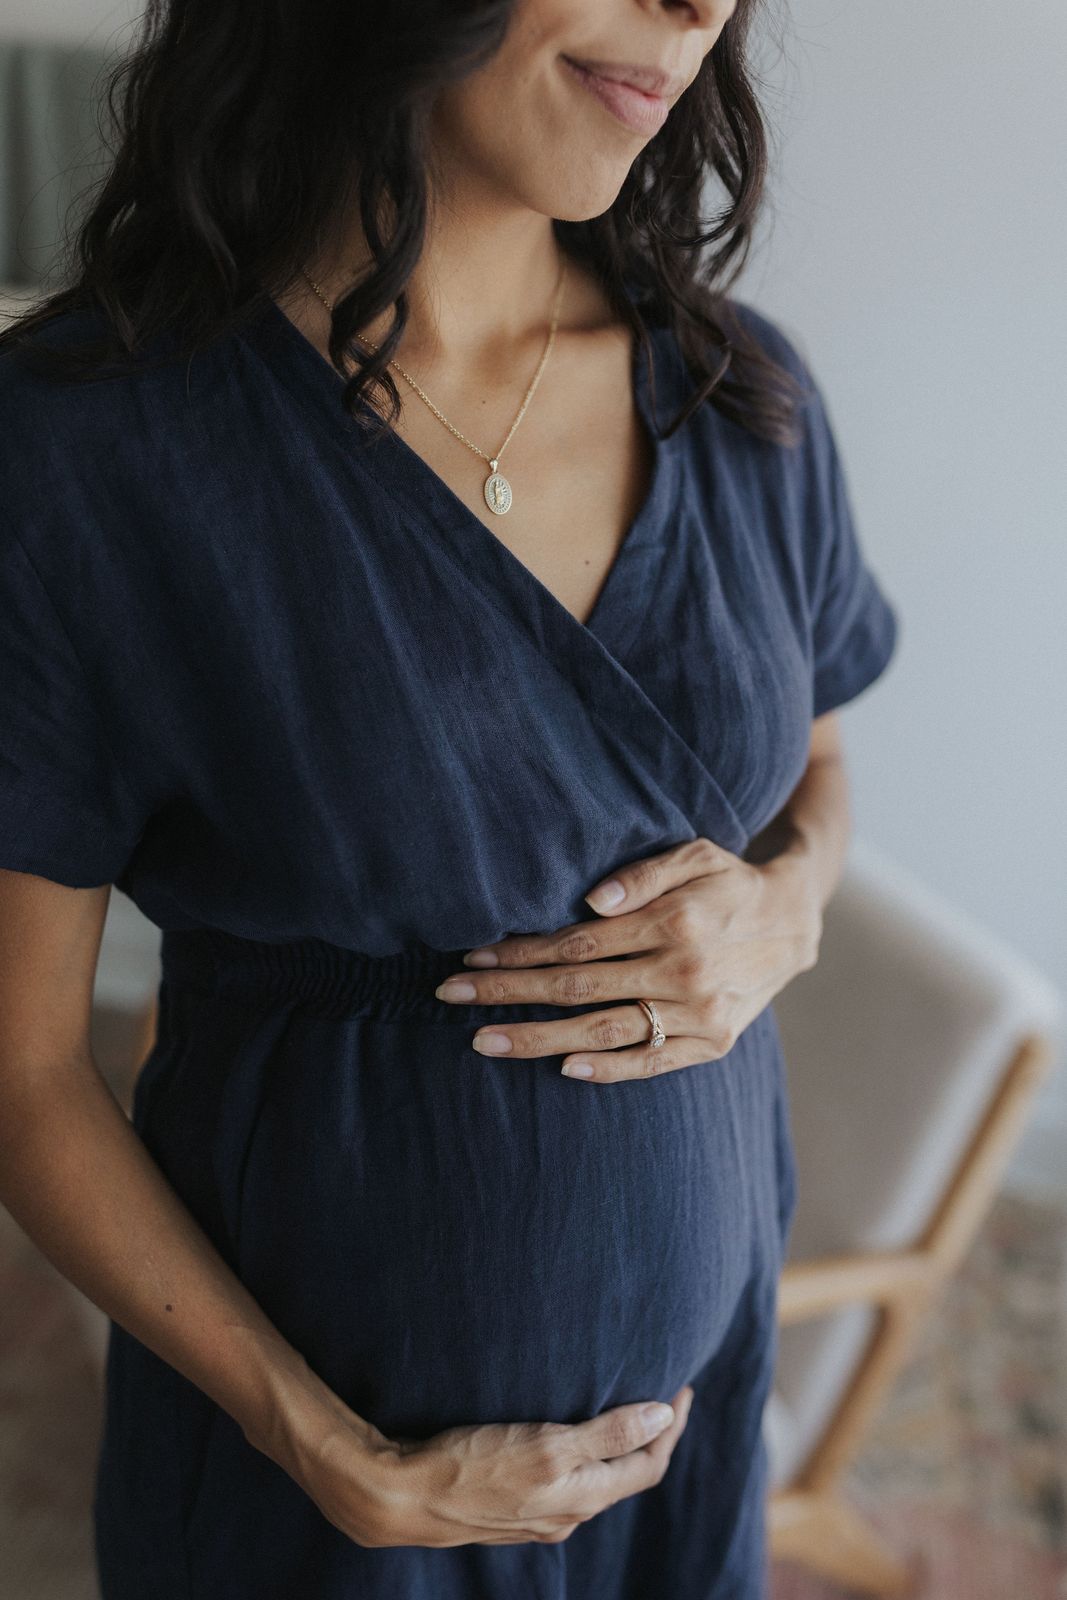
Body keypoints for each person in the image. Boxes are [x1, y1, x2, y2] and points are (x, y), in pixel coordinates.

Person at [0, 0, 900, 1595]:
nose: (698, 4)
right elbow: (22, 1070)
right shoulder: (86, 447)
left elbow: (814, 771)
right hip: (337, 1492)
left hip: (688, 1452)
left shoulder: (743, 393)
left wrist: (789, 905)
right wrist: (327, 1452)